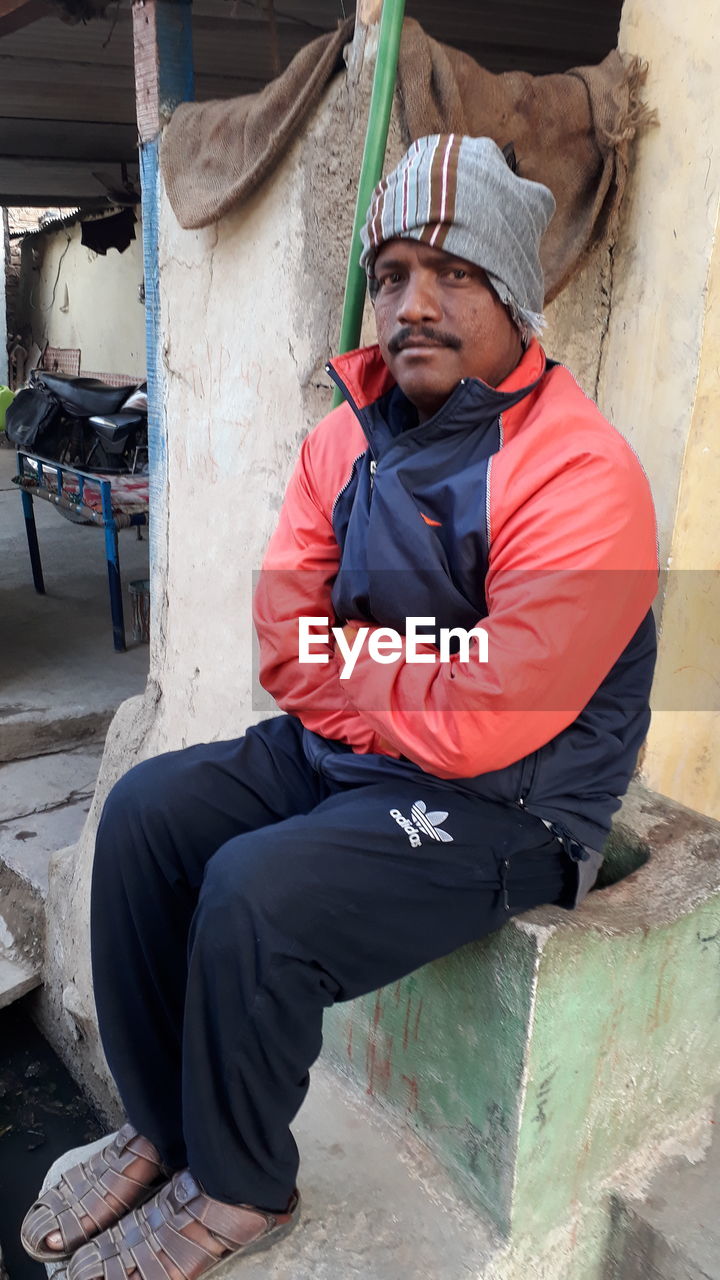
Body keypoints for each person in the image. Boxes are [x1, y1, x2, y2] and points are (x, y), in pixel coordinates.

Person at [21, 134, 658, 1280]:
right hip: (359, 759)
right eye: (395, 272)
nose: (414, 303)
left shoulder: (581, 473)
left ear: (516, 293)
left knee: (259, 892)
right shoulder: (342, 437)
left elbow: (493, 720)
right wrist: (404, 674)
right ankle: (167, 1129)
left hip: (512, 805)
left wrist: (355, 662)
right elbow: (285, 645)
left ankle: (244, 1182)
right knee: (148, 815)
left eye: (454, 273)